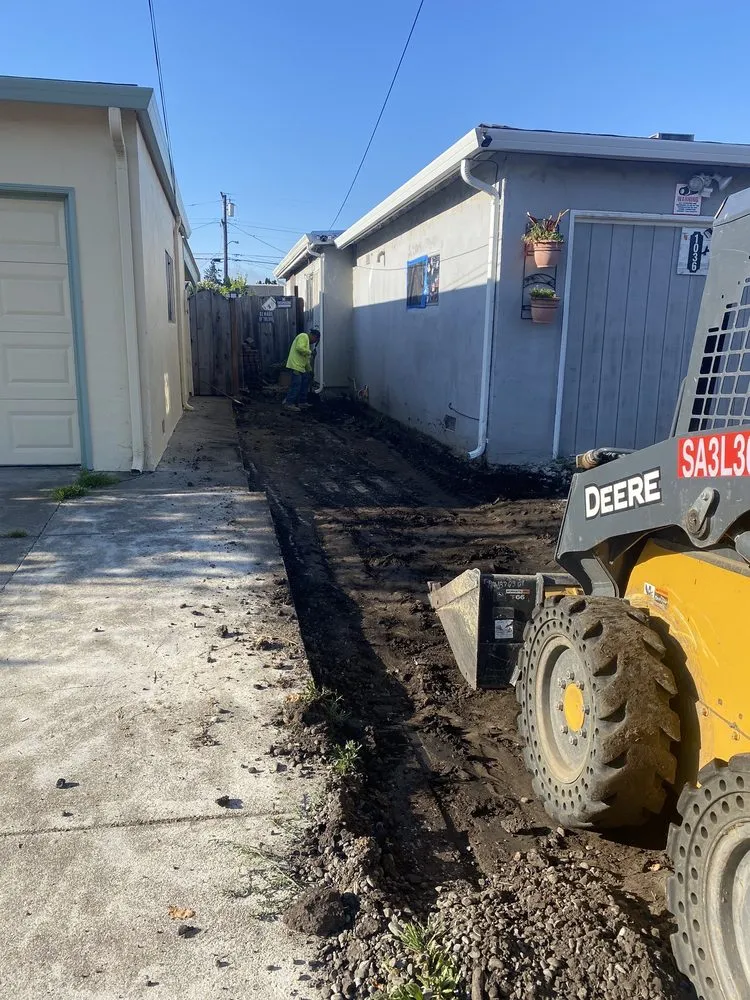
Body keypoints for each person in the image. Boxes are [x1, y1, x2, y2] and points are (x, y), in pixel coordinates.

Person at [283, 328, 320, 407]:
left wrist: (310, 370)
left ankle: (302, 402)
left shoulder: (306, 344)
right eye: (315, 340)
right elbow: (299, 348)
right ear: (314, 336)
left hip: (300, 367)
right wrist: (310, 352)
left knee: (305, 382)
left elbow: (306, 360)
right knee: (296, 384)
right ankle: (288, 404)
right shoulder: (303, 336)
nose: (313, 342)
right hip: (295, 365)